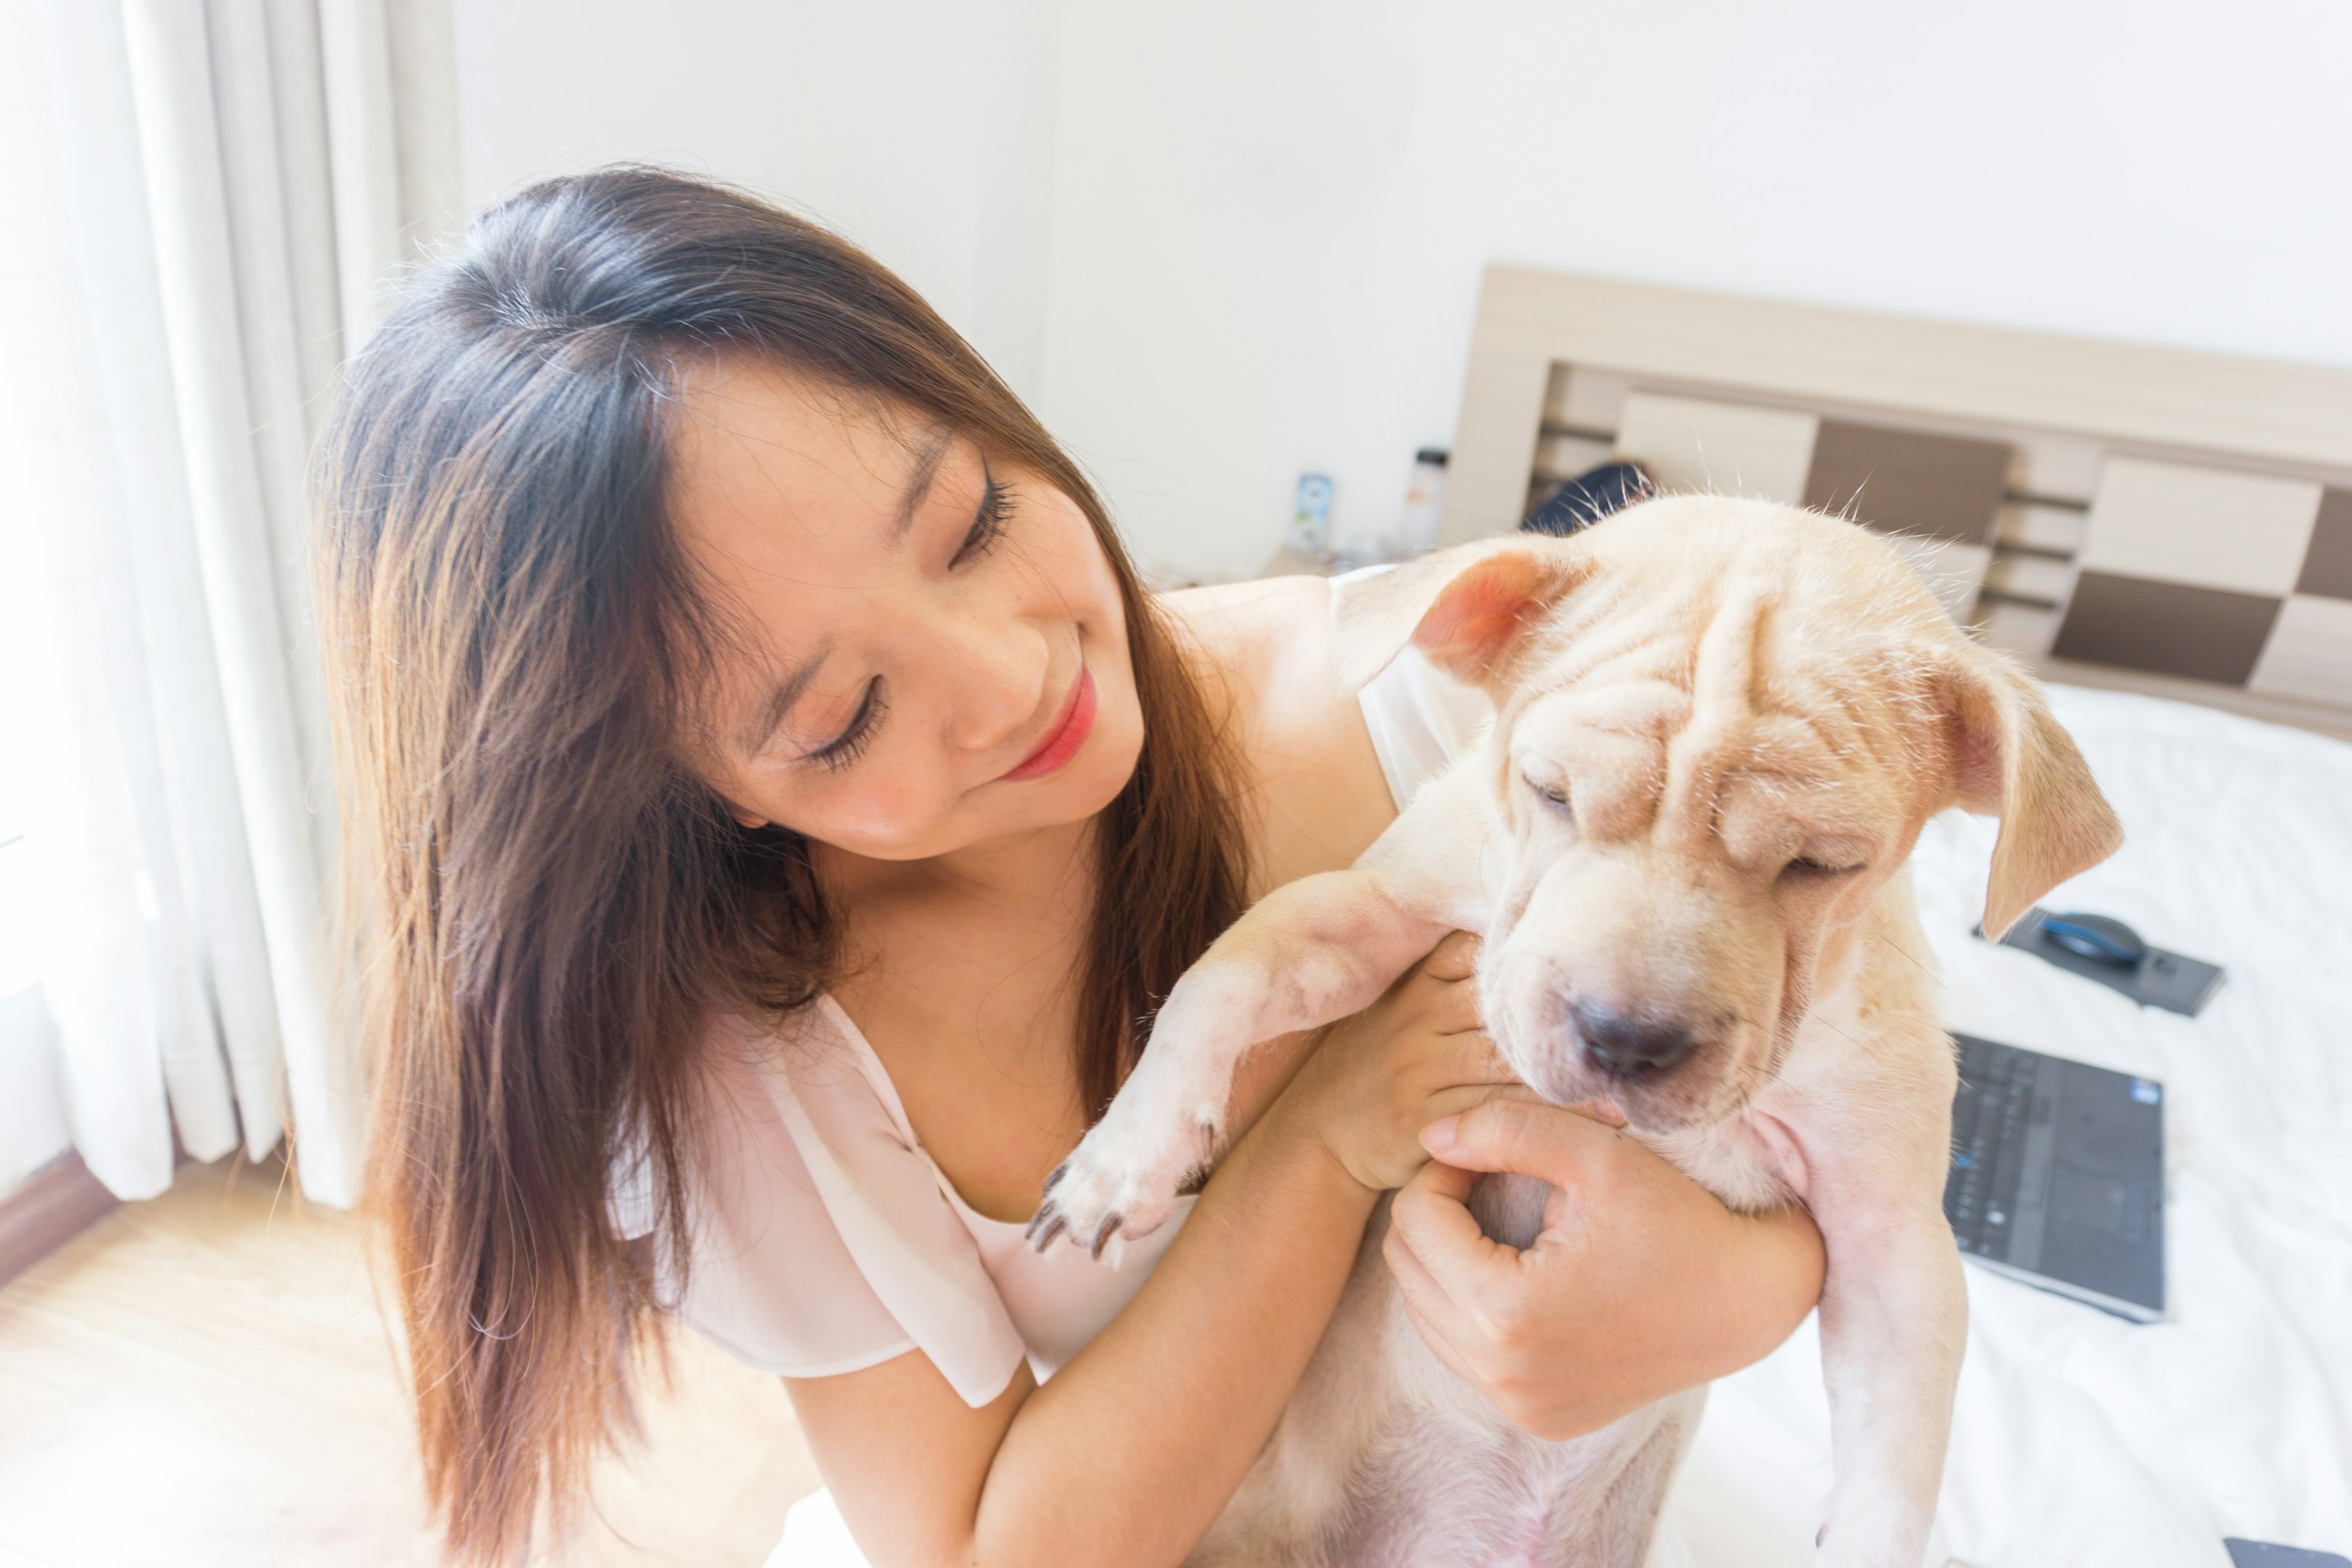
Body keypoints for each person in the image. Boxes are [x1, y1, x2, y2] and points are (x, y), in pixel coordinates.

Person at [316, 166, 1826, 1568]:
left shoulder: (1445, 706)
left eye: (972, 525)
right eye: (843, 718)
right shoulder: (760, 1070)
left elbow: (1852, 1134)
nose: (1011, 679)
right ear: (685, 797)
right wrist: (1330, 1135)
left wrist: (1746, 1294)